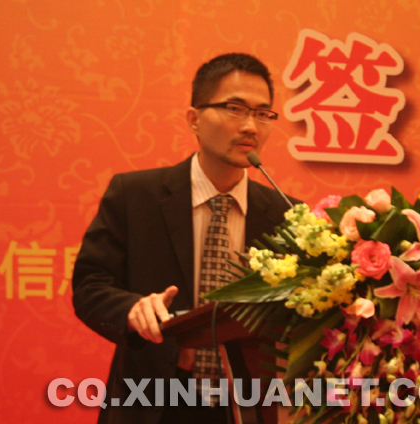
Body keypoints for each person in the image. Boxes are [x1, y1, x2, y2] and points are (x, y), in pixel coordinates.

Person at [72, 53, 299, 424]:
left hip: (248, 406)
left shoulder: (288, 214)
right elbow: (90, 286)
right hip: (154, 403)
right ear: (194, 119)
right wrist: (132, 309)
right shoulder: (135, 195)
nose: (250, 126)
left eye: (262, 113)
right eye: (234, 109)